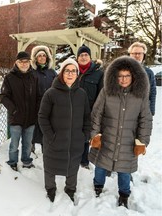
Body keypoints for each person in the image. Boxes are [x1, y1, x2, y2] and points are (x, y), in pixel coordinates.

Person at [88, 56, 153, 208]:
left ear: (133, 76)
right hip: (107, 138)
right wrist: (95, 135)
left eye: (127, 76)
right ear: (114, 77)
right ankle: (98, 186)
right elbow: (96, 114)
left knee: (125, 170)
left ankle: (124, 194)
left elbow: (146, 120)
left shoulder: (140, 96)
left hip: (128, 141)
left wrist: (142, 141)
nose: (123, 79)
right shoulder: (107, 92)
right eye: (120, 76)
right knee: (101, 166)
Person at [38, 58, 91, 203]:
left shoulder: (82, 94)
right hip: (54, 140)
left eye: (73, 71)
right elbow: (42, 117)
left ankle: (70, 189)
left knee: (72, 166)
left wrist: (84, 135)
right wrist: (51, 136)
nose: (70, 74)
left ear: (77, 74)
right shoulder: (51, 93)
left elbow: (87, 116)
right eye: (67, 70)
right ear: (61, 73)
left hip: (75, 141)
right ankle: (50, 189)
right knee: (50, 166)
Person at [0, 51, 40, 171]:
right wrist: (14, 110)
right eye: (21, 62)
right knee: (14, 144)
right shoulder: (10, 77)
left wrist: (36, 111)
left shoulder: (34, 77)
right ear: (16, 63)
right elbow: (3, 96)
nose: (24, 64)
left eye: (26, 61)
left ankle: (26, 161)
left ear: (29, 63)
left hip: (30, 118)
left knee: (27, 144)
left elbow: (38, 96)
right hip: (16, 118)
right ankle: (12, 162)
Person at [76, 45, 104, 169]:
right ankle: (73, 158)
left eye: (86, 55)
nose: (83, 57)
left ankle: (84, 161)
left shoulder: (98, 73)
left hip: (90, 111)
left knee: (86, 136)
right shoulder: (72, 70)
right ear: (77, 58)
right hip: (73, 110)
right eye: (81, 55)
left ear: (90, 57)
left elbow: (101, 94)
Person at [30, 45, 57, 153]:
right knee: (33, 127)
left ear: (47, 58)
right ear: (36, 58)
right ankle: (30, 148)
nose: (42, 58)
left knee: (45, 126)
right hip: (34, 105)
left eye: (44, 55)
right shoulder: (31, 72)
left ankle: (45, 148)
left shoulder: (52, 72)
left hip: (49, 105)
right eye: (39, 56)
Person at [128, 41, 156, 116]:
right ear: (130, 55)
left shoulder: (149, 73)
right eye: (134, 53)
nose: (137, 56)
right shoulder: (121, 71)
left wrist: (151, 111)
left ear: (144, 55)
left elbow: (152, 92)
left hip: (142, 112)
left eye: (140, 53)